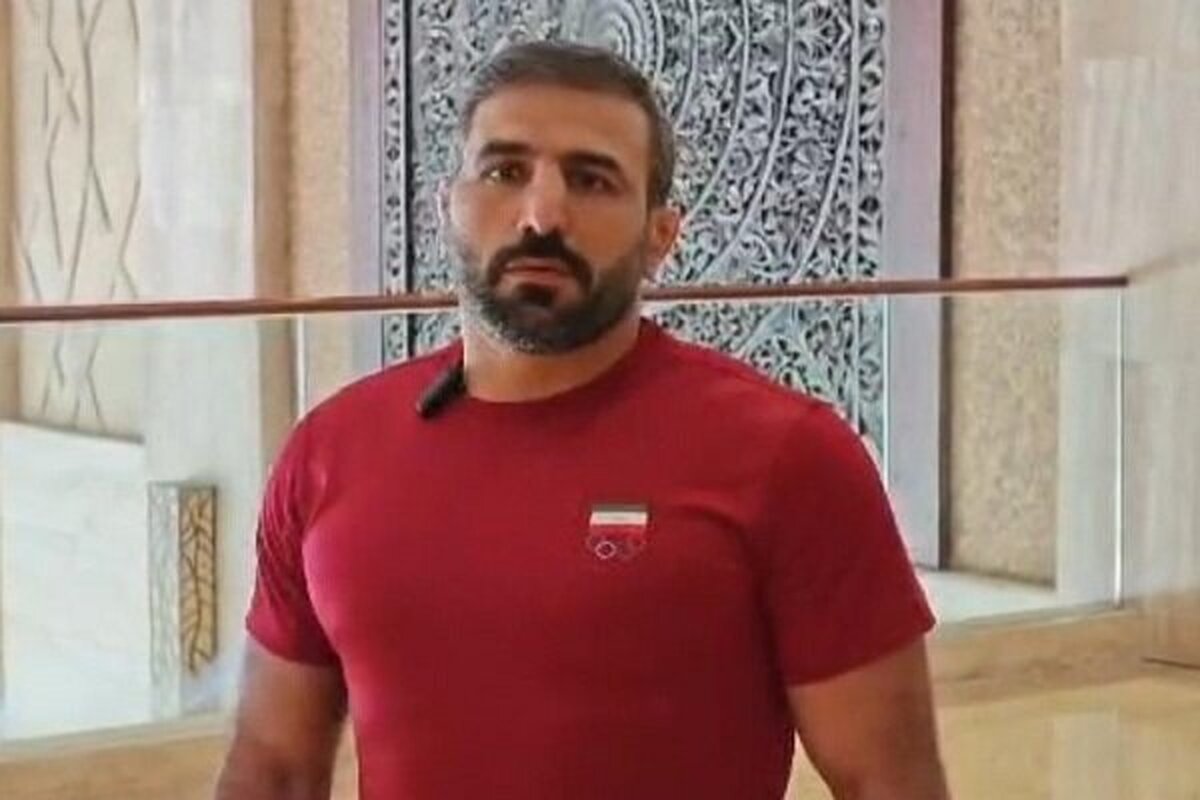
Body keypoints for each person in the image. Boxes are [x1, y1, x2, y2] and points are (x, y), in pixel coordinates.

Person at [215, 40, 949, 800]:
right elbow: (272, 764)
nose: (541, 215)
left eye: (592, 180)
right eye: (504, 172)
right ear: (448, 209)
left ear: (660, 237)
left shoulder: (787, 456)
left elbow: (889, 782)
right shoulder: (331, 452)